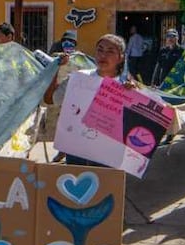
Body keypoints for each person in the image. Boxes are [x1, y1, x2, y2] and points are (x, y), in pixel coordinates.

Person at [44, 33, 137, 166]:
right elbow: (50, 99)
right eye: (100, 50)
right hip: (76, 153)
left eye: (110, 51)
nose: (103, 55)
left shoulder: (127, 88)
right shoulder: (79, 79)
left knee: (106, 186)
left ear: (121, 58)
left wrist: (133, 98)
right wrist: (56, 68)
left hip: (108, 155)